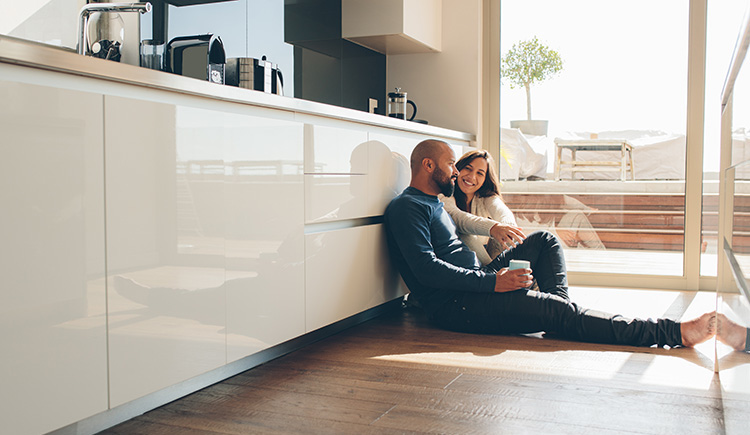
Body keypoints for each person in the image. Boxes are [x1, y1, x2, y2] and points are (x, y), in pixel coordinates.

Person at [384, 138, 715, 348]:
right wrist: (492, 283)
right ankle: (672, 334)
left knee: (545, 240)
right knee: (557, 311)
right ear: (428, 165)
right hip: (458, 306)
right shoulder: (406, 207)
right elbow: (426, 270)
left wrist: (492, 278)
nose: (456, 172)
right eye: (451, 164)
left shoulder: (436, 204)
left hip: (478, 285)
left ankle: (557, 315)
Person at [439, 148, 568, 300]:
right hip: (474, 276)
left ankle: (556, 303)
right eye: (468, 168)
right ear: (458, 169)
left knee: (536, 241)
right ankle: (556, 305)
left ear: (485, 178)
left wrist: (507, 230)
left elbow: (502, 212)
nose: (472, 176)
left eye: (480, 173)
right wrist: (494, 228)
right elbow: (460, 219)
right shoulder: (445, 196)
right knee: (465, 232)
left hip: (489, 271)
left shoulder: (485, 198)